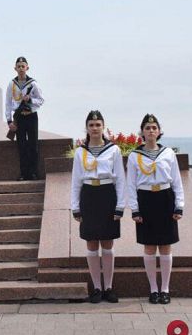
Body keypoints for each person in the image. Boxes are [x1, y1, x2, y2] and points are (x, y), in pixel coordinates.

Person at [126, 114, 184, 305]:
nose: (151, 131)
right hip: (146, 200)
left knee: (166, 246)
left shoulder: (168, 153)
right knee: (149, 246)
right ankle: (153, 289)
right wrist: (135, 209)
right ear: (142, 131)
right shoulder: (135, 155)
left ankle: (165, 289)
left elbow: (176, 181)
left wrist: (179, 206)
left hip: (165, 199)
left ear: (159, 131)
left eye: (154, 127)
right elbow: (131, 184)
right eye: (147, 127)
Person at [71, 111, 125, 303]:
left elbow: (119, 179)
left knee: (108, 243)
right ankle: (96, 287)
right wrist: (75, 207)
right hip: (89, 196)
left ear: (103, 127)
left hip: (107, 195)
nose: (95, 128)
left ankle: (109, 287)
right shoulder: (80, 152)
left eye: (98, 124)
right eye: (91, 125)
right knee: (91, 243)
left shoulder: (114, 150)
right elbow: (76, 181)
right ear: (87, 128)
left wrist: (120, 205)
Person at [5, 57, 44, 181]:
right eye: (19, 66)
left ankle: (33, 173)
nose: (21, 68)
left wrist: (30, 100)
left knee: (33, 145)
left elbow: (41, 100)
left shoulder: (33, 84)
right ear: (15, 68)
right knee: (21, 146)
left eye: (23, 66)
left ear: (27, 67)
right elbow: (8, 103)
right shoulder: (12, 84)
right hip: (19, 117)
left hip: (31, 116)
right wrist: (9, 121)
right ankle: (23, 173)